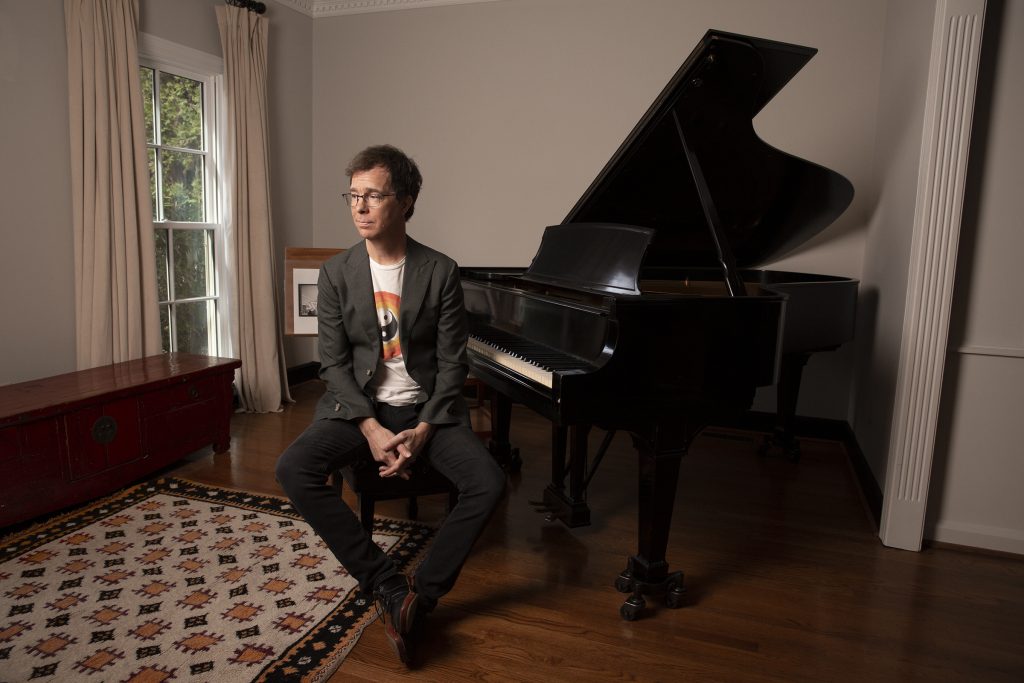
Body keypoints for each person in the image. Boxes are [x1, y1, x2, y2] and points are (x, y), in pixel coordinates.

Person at [275, 144, 506, 665]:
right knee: (293, 468)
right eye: (353, 196)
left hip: (428, 410)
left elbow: (453, 366)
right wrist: (372, 429)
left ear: (406, 202)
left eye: (373, 196)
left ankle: (421, 595)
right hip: (357, 408)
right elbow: (331, 365)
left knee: (488, 483)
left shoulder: (439, 270)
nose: (359, 207)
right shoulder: (335, 273)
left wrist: (422, 431)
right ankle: (385, 582)